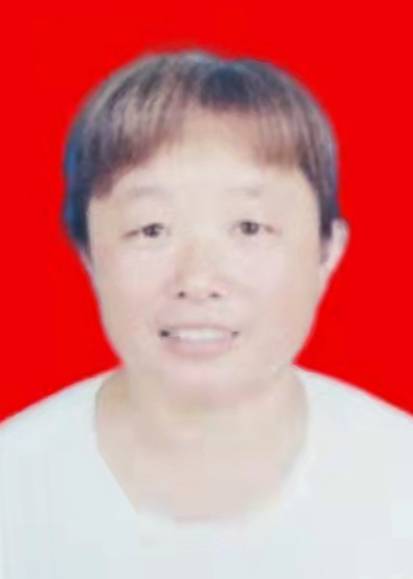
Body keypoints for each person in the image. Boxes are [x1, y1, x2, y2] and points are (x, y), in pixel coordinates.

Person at [1, 49, 412, 579]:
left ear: (327, 252)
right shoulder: (15, 487)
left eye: (249, 228)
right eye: (151, 229)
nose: (197, 280)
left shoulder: (399, 476)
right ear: (89, 256)